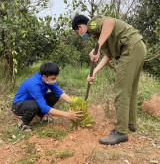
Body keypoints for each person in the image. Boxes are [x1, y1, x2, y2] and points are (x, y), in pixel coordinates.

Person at [72, 14, 147, 145]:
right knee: (131, 89)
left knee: (121, 90)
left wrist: (98, 47)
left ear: (80, 27)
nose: (81, 35)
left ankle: (121, 132)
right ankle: (130, 123)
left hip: (130, 48)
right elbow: (109, 55)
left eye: (78, 32)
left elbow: (109, 22)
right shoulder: (100, 36)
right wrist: (95, 71)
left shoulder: (92, 24)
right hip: (138, 47)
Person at [11, 62, 82, 132]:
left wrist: (75, 103)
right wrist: (66, 114)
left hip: (33, 101)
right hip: (18, 106)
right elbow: (43, 107)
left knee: (54, 96)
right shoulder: (34, 84)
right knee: (34, 105)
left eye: (55, 78)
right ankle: (22, 123)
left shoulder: (48, 80)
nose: (54, 80)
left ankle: (39, 117)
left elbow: (60, 93)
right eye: (53, 78)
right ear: (44, 76)